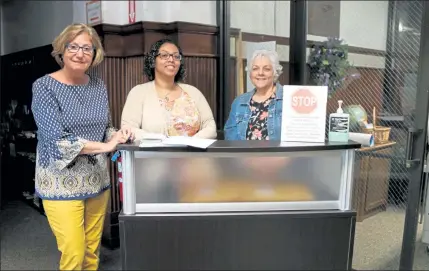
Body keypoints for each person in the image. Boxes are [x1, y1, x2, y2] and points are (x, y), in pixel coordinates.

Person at [31, 23, 133, 270]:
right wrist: (107, 146)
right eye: (73, 46)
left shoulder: (98, 85)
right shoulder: (44, 86)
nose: (80, 53)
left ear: (95, 53)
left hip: (97, 180)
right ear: (61, 50)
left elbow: (104, 127)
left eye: (87, 48)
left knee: (90, 252)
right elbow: (58, 141)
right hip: (60, 182)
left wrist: (118, 135)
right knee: (74, 253)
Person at [121, 38, 217, 139]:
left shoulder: (193, 92)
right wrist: (161, 141)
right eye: (164, 55)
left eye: (176, 56)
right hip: (153, 154)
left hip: (193, 153)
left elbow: (210, 127)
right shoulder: (138, 93)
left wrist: (191, 143)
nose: (171, 60)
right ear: (153, 61)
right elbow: (128, 129)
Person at [224, 49, 284, 140]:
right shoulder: (239, 102)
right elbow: (230, 136)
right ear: (250, 73)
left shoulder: (288, 98)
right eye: (255, 68)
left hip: (279, 154)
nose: (260, 73)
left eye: (266, 69)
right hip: (245, 154)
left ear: (275, 72)